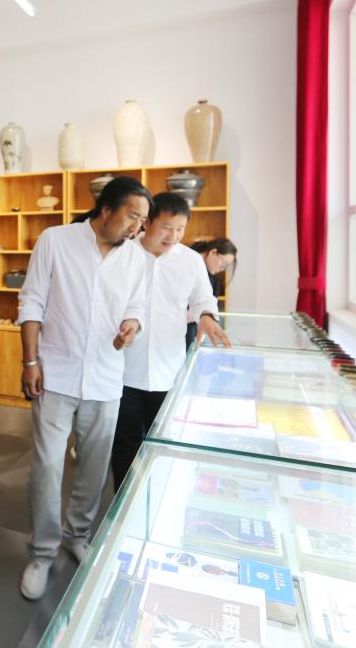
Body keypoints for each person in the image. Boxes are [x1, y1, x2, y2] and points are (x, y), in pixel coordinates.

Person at [18, 176, 151, 601]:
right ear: (106, 209)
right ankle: (42, 552)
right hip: (55, 372)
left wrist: (132, 325)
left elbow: (136, 306)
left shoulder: (135, 258)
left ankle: (77, 535)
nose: (138, 228)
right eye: (132, 216)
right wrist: (30, 360)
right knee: (47, 466)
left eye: (143, 220)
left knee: (94, 467)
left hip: (106, 377)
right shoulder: (55, 240)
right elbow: (32, 301)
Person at [112, 194, 231, 490]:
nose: (173, 236)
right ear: (147, 222)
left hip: (168, 370)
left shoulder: (190, 260)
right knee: (125, 443)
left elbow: (203, 298)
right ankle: (122, 500)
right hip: (122, 369)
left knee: (164, 443)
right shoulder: (122, 253)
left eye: (180, 229)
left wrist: (207, 317)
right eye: (166, 227)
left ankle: (158, 497)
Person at [186, 237, 239, 349]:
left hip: (191, 334)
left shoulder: (214, 281)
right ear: (213, 252)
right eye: (223, 263)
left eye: (225, 267)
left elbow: (210, 309)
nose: (222, 269)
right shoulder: (186, 262)